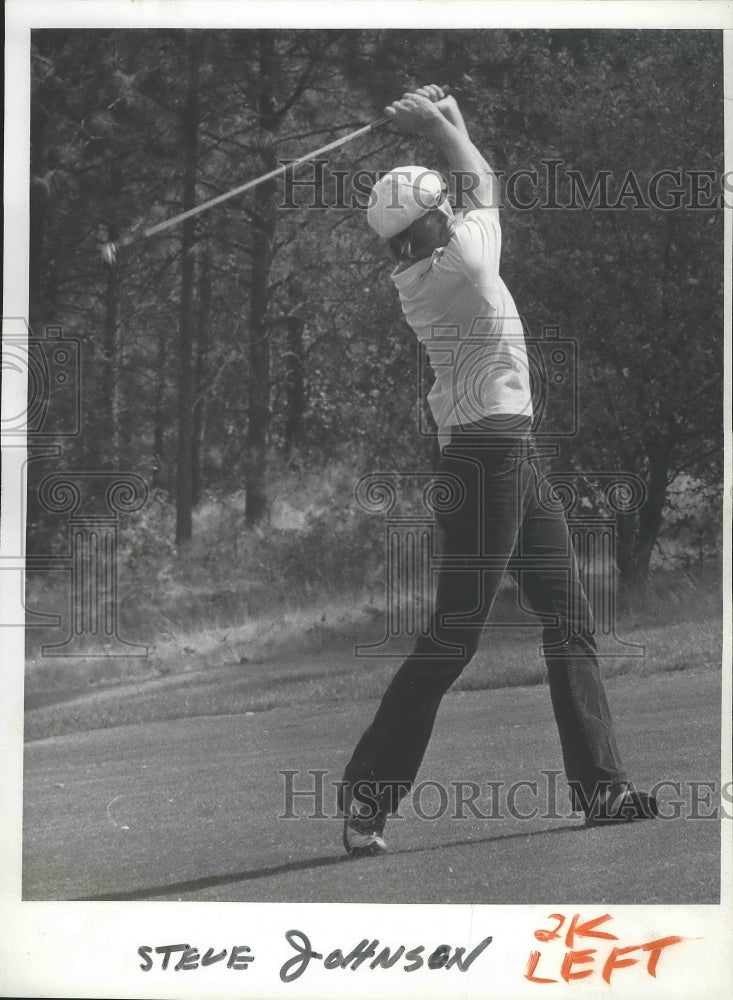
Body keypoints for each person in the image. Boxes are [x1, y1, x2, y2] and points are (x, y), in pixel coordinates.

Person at [338, 85, 658, 857]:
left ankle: (602, 787)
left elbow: (469, 183)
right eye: (442, 208)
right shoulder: (464, 264)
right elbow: (482, 178)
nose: (454, 211)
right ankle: (365, 799)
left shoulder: (423, 270)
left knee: (568, 613)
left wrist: (440, 124)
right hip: (488, 460)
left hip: (499, 452)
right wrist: (442, 123)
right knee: (455, 636)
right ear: (433, 221)